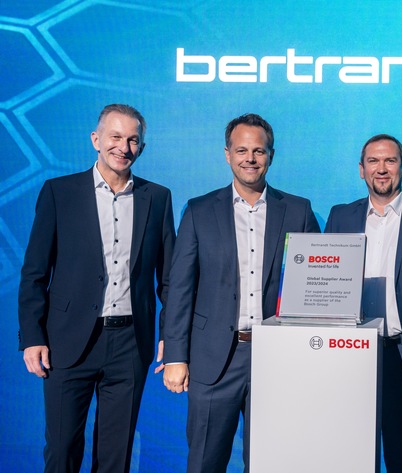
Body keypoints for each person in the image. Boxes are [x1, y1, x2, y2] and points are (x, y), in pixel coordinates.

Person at [18, 104, 175, 472]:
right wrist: (32, 336)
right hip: (67, 342)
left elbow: (169, 279)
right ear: (96, 139)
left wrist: (170, 334)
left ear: (142, 147)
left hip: (130, 344)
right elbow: (35, 273)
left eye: (133, 140)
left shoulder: (157, 197)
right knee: (61, 451)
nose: (124, 147)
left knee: (115, 457)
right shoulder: (60, 192)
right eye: (115, 137)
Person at [161, 113, 320, 473]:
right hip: (212, 360)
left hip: (278, 359)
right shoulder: (199, 210)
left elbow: (313, 286)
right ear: (227, 154)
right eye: (242, 150)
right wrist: (175, 355)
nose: (250, 158)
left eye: (258, 151)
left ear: (271, 156)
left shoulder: (298, 210)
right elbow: (181, 288)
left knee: (270, 463)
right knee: (204, 462)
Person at [325, 134, 402, 473]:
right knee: (350, 451)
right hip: (349, 350)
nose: (382, 168)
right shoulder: (340, 217)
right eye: (373, 161)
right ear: (361, 170)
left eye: (390, 161)